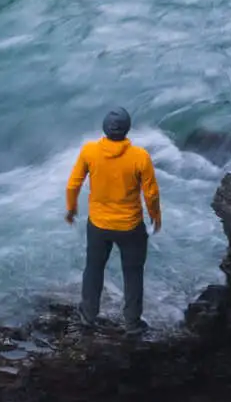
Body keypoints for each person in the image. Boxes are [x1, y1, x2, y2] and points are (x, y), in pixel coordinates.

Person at [65, 107, 162, 329]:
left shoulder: (89, 151)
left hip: (98, 224)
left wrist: (71, 210)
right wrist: (155, 216)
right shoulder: (140, 157)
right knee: (133, 272)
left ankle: (88, 314)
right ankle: (132, 321)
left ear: (104, 128)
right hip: (130, 226)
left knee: (94, 267)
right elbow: (151, 193)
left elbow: (73, 184)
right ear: (127, 129)